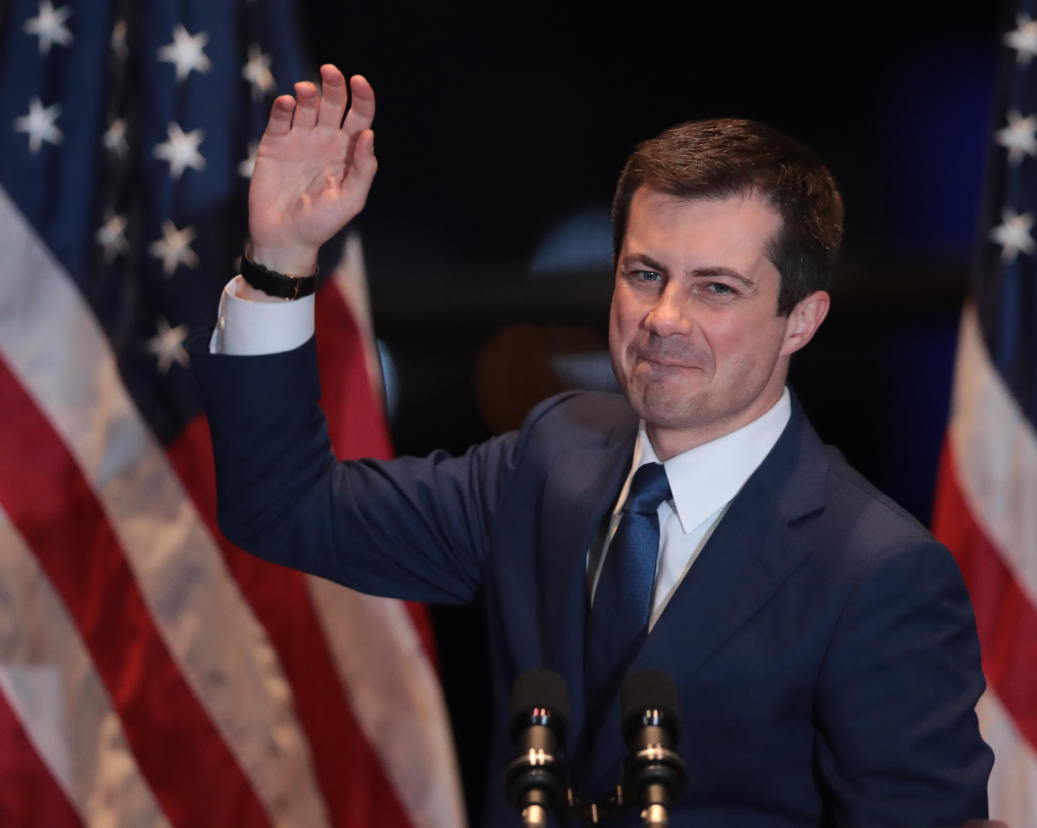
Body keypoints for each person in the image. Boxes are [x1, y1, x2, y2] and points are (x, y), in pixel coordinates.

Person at [190, 64, 993, 826]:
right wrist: (281, 262)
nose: (664, 317)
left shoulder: (879, 573)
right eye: (644, 274)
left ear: (803, 320)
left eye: (715, 287)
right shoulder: (549, 457)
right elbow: (282, 508)